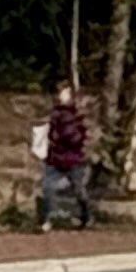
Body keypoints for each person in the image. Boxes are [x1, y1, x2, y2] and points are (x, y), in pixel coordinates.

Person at [33, 85, 92, 228]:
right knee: (49, 189)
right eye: (60, 92)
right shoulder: (56, 114)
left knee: (76, 190)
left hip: (71, 159)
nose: (61, 96)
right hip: (58, 158)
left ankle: (85, 217)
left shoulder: (75, 115)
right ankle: (45, 220)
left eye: (65, 93)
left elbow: (77, 137)